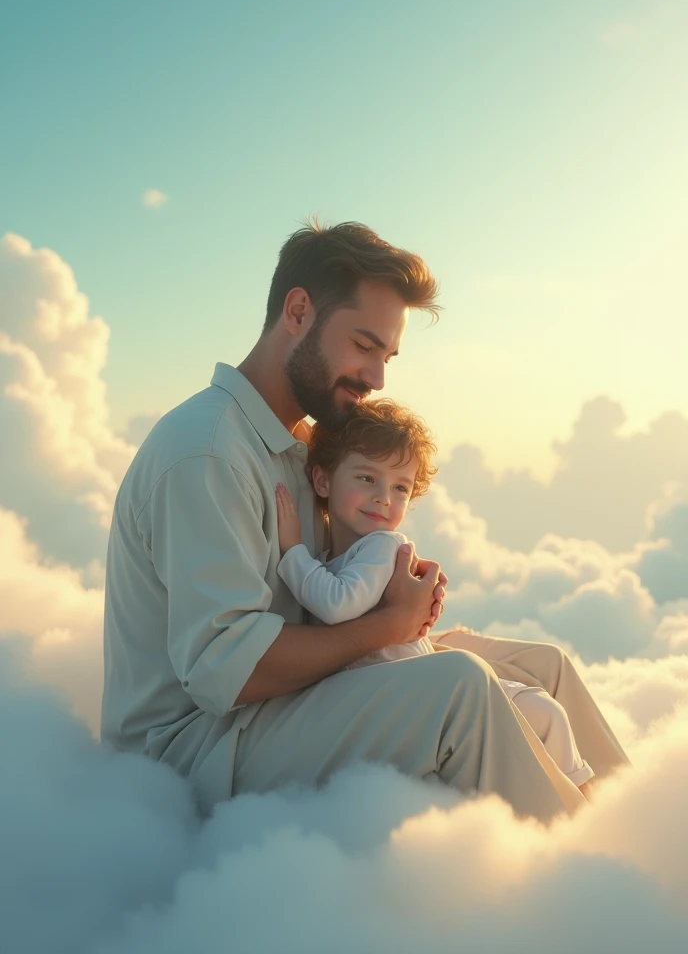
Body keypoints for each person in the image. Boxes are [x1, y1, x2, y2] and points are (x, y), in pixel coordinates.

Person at [101, 219, 627, 821]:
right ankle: (595, 889)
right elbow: (230, 672)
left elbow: (321, 590)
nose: (378, 377)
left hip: (284, 699)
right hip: (195, 751)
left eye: (387, 354)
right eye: (363, 345)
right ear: (297, 311)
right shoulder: (208, 452)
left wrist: (398, 594)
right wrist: (388, 627)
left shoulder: (302, 441)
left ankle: (640, 849)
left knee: (544, 670)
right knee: (461, 689)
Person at [274, 397, 598, 796]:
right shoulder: (338, 557)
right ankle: (579, 803)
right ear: (322, 481)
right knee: (540, 715)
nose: (384, 497)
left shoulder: (381, 547)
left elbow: (335, 604)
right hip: (403, 700)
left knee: (542, 714)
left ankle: (580, 804)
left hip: (419, 698)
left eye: (400, 487)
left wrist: (292, 552)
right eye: (366, 478)